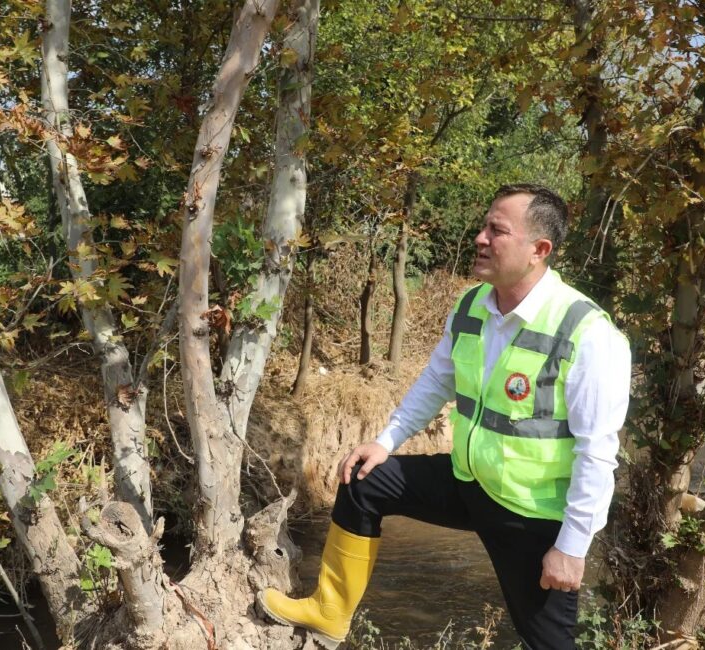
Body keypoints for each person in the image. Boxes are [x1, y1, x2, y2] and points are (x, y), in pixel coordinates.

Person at [258, 184, 631, 649]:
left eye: (497, 230)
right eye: (483, 226)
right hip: (468, 483)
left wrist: (571, 549)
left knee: (549, 644)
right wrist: (385, 441)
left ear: (539, 250)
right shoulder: (472, 305)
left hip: (531, 516)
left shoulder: (588, 334)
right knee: (364, 479)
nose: (480, 238)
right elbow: (435, 382)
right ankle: (330, 612)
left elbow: (597, 454)